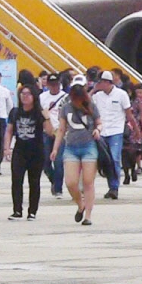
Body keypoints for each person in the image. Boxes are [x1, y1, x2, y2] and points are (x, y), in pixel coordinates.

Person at [52, 77, 101, 225]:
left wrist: (98, 130)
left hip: (89, 146)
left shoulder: (91, 106)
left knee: (88, 181)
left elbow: (99, 122)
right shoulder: (66, 108)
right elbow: (61, 129)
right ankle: (80, 204)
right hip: (71, 147)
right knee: (71, 182)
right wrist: (55, 148)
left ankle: (88, 216)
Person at [5, 83, 48, 220]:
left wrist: (46, 117)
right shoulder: (15, 112)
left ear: (34, 96)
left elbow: (50, 131)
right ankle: (17, 210)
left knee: (34, 182)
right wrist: (7, 148)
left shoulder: (39, 113)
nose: (25, 96)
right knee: (16, 180)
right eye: (22, 94)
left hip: (36, 151)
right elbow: (9, 130)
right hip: (20, 150)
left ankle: (32, 211)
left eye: (28, 94)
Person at [94, 70, 132, 199]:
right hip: (102, 132)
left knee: (115, 158)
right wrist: (93, 90)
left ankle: (114, 187)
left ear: (108, 82)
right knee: (105, 160)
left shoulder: (121, 94)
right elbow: (86, 103)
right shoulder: (97, 96)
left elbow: (128, 113)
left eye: (102, 82)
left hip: (116, 131)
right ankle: (111, 184)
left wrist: (136, 130)